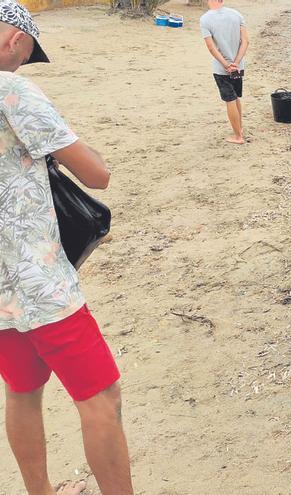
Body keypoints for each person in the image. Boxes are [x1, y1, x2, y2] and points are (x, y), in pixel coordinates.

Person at [0, 2, 134, 494]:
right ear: (15, 39)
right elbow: (96, 174)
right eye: (26, 53)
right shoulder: (10, 88)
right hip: (37, 279)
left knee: (21, 391)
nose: (21, 64)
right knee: (101, 396)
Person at [200, 0, 249, 144]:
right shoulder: (236, 14)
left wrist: (226, 65)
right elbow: (245, 41)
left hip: (222, 69)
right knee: (236, 97)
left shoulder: (205, 19)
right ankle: (239, 129)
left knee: (230, 99)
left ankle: (238, 136)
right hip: (238, 66)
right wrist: (236, 62)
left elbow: (211, 47)